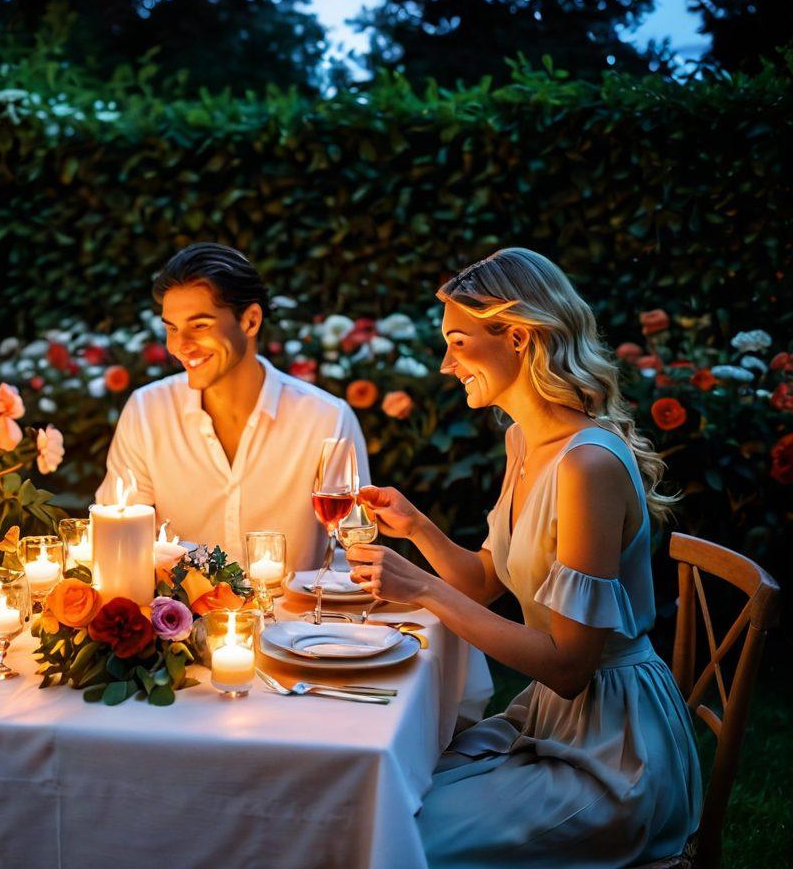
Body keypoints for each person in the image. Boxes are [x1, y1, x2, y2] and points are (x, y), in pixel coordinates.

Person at [348, 248, 701, 867]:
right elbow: (486, 580)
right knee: (373, 805)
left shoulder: (587, 465)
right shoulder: (525, 440)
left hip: (614, 754)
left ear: (516, 336)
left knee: (397, 843)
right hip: (551, 722)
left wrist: (425, 592)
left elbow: (570, 666)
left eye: (458, 342)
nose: (445, 363)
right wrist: (418, 528)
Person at [97, 243, 370, 572]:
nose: (179, 345)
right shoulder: (147, 411)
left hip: (298, 621)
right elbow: (117, 539)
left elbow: (353, 556)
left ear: (250, 321)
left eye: (199, 326)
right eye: (171, 328)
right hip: (186, 620)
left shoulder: (326, 420)